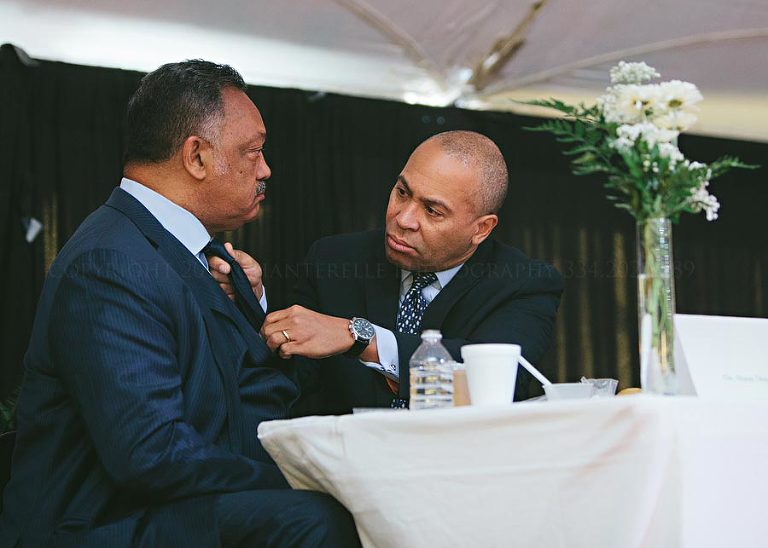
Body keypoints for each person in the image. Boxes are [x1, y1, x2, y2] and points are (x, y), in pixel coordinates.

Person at [0, 60, 359, 547]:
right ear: (196, 157)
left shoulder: (188, 254)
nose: (266, 169)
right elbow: (151, 453)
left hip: (164, 509)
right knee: (315, 519)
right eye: (253, 152)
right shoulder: (110, 264)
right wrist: (304, 481)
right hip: (102, 526)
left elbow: (248, 397)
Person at [214, 131, 564, 415]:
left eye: (432, 210)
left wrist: (360, 338)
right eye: (402, 192)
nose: (403, 219)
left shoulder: (524, 282)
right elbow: (287, 381)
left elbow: (495, 373)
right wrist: (254, 299)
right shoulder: (334, 260)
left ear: (481, 229)